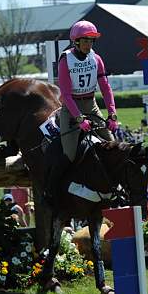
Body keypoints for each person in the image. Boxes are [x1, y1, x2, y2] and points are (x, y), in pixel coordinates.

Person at [46, 20, 117, 201]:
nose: (89, 44)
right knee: (69, 154)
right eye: (85, 40)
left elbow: (106, 88)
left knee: (112, 143)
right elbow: (66, 95)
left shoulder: (97, 59)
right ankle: (51, 191)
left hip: (91, 104)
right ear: (75, 41)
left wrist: (112, 114)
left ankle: (115, 187)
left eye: (91, 41)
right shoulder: (65, 60)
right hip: (71, 108)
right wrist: (79, 119)